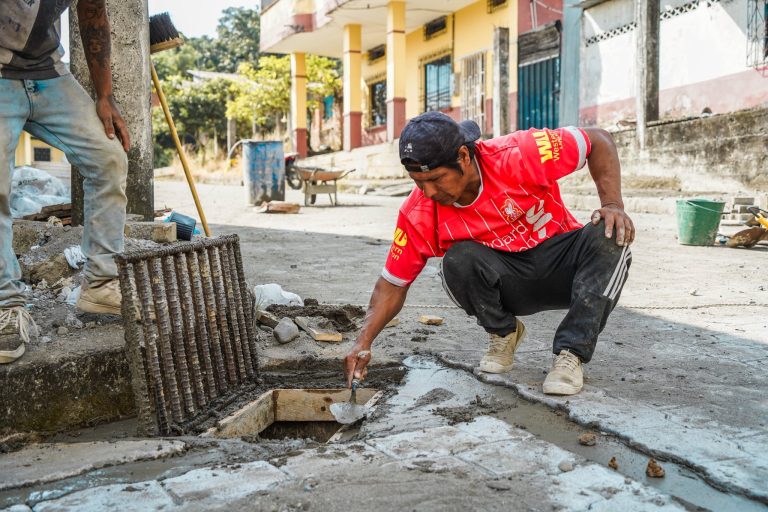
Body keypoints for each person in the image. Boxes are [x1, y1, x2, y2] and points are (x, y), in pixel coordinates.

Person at [344, 111, 634, 396]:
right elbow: (392, 284)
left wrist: (613, 204)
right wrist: (363, 342)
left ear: (463, 156)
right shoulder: (418, 212)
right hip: (511, 284)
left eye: (436, 179)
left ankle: (571, 354)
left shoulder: (520, 153)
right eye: (419, 182)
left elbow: (598, 140)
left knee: (610, 233)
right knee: (456, 261)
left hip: (563, 270)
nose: (428, 191)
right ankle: (504, 332)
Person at [0, 0, 130, 364]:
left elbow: (93, 14)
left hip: (49, 73)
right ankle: (5, 305)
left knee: (108, 159)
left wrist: (105, 96)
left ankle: (101, 285)